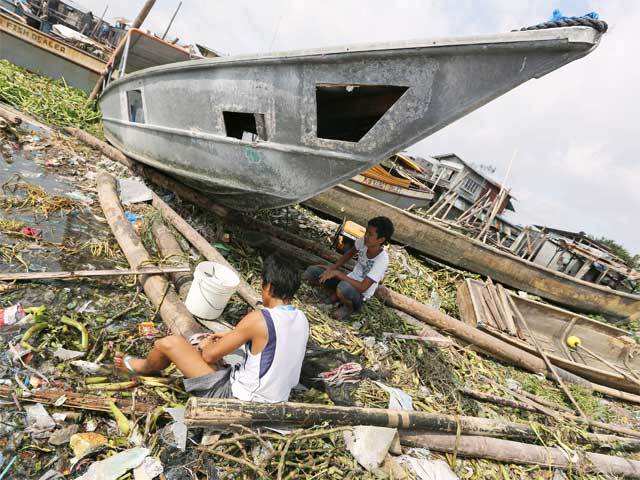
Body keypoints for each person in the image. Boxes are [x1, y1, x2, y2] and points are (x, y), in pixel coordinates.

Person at [115, 255, 309, 403]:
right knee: (228, 355)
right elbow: (272, 340)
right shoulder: (301, 319)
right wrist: (231, 335)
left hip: (241, 401)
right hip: (276, 399)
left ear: (268, 286)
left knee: (169, 343)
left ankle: (141, 368)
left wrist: (207, 345)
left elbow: (209, 356)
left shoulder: (258, 319)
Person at [303, 216, 394, 320]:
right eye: (366, 232)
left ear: (381, 240)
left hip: (359, 294)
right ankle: (337, 296)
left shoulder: (382, 259)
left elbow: (362, 287)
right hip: (346, 280)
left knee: (344, 287)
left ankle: (349, 307)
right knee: (312, 272)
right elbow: (349, 254)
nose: (366, 236)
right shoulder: (363, 242)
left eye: (370, 234)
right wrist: (331, 268)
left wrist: (338, 274)